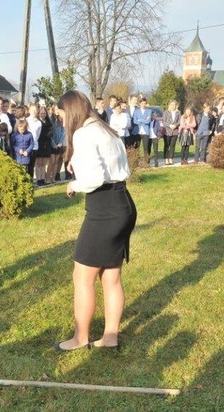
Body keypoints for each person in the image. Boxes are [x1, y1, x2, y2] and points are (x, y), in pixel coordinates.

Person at [54, 90, 136, 351]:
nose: (61, 122)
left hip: (104, 210)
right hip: (123, 203)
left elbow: (94, 180)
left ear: (71, 111)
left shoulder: (83, 134)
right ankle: (110, 337)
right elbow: (116, 168)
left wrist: (73, 184)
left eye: (61, 116)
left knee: (82, 277)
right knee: (111, 277)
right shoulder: (106, 130)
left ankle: (80, 338)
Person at [132, 98, 153, 165]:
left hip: (145, 131)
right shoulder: (136, 111)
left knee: (146, 148)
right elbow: (135, 121)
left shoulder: (149, 111)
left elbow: (148, 121)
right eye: (142, 103)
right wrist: (143, 120)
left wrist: (140, 119)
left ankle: (146, 162)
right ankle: (135, 163)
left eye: (145, 103)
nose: (143, 105)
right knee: (136, 148)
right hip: (137, 131)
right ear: (139, 104)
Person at [162, 100, 181, 165]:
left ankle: (171, 158)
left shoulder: (178, 112)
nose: (173, 106)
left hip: (175, 131)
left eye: (174, 105)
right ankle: (166, 159)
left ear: (176, 105)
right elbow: (164, 122)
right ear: (169, 105)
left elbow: (179, 121)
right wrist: (170, 125)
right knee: (167, 145)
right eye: (172, 104)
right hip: (167, 131)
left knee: (172, 146)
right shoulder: (166, 112)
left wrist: (175, 125)